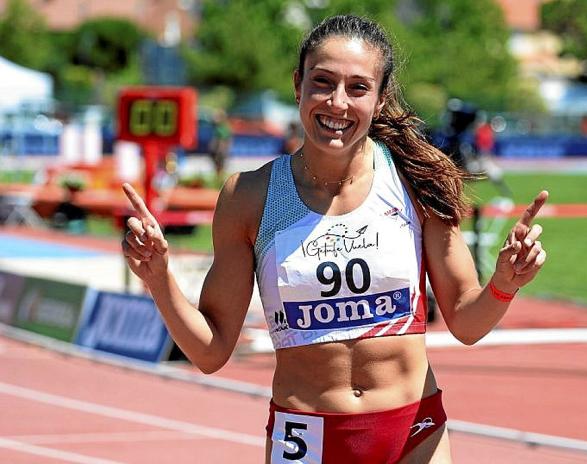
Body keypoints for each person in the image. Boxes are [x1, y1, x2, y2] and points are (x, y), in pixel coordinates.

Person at [121, 15, 548, 463]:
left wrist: (505, 282)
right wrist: (158, 278)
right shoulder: (249, 196)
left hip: (413, 432)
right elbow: (210, 352)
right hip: (305, 437)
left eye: (358, 88)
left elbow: (466, 321)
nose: (337, 103)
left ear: (381, 99)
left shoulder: (419, 180)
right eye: (322, 82)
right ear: (297, 85)